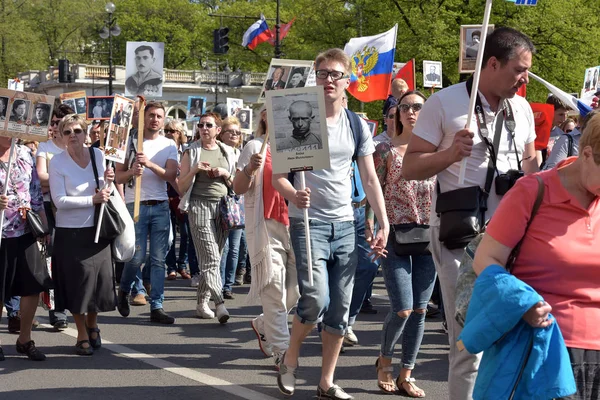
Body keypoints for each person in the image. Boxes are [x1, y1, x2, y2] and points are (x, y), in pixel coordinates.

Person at [403, 27, 539, 399]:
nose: (524, 79)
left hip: (513, 235)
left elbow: (528, 163)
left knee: (514, 331)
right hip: (462, 235)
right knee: (469, 339)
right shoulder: (445, 104)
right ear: (492, 64)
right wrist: (449, 155)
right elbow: (410, 168)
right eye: (519, 70)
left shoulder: (523, 109)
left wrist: (535, 170)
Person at [273, 48, 389, 399]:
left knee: (340, 308)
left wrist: (382, 222)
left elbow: (370, 178)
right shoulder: (297, 118)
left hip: (347, 223)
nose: (328, 80)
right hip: (309, 223)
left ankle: (326, 381)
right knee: (316, 299)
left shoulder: (356, 125)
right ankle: (289, 357)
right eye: (321, 73)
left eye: (335, 74)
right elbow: (279, 176)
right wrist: (294, 194)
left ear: (347, 81)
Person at [473, 112, 600, 400]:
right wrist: (522, 304)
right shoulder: (533, 191)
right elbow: (485, 259)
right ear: (588, 154)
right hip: (543, 347)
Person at [370, 92, 436, 397]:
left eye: (418, 107)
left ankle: (406, 373)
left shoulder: (437, 150)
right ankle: (384, 361)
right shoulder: (384, 150)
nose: (411, 112)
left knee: (421, 311)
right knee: (402, 309)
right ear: (397, 115)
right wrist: (373, 227)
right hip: (395, 234)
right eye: (404, 107)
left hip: (429, 236)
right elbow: (373, 191)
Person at [233, 107, 300, 368]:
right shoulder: (254, 146)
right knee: (273, 287)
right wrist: (250, 169)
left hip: (295, 224)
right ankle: (282, 352)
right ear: (264, 116)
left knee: (295, 292)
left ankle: (263, 323)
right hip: (265, 224)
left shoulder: (299, 146)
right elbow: (238, 188)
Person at [49, 114, 116, 356]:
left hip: (99, 229)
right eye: (67, 132)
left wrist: (110, 182)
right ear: (61, 136)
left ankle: (93, 324)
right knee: (78, 286)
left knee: (98, 283)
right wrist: (92, 199)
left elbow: (108, 192)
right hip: (70, 232)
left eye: (77, 130)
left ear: (86, 133)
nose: (73, 136)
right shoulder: (57, 162)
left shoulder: (98, 155)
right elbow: (59, 200)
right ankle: (81, 333)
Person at [115, 101, 178, 325]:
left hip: (160, 205)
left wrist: (149, 164)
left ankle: (157, 306)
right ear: (144, 118)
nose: (155, 119)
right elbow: (117, 177)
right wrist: (132, 171)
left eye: (159, 116)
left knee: (159, 259)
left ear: (163, 120)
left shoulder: (169, 144)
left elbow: (171, 175)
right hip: (136, 205)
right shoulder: (131, 142)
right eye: (151, 115)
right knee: (137, 256)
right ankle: (124, 290)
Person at [178, 113, 237, 324]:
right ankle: (219, 303)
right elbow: (181, 186)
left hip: (222, 208)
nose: (204, 128)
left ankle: (201, 303)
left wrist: (224, 173)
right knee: (211, 258)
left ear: (217, 130)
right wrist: (194, 169)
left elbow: (236, 184)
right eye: (201, 125)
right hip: (198, 206)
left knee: (213, 259)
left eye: (209, 125)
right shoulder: (191, 151)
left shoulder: (228, 151)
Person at [0, 136, 51, 361]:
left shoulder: (24, 153)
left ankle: (24, 339)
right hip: (1, 233)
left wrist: (43, 223)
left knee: (33, 285)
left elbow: (35, 191)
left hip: (25, 229)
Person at [36, 103, 73, 332]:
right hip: (51, 208)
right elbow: (40, 176)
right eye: (57, 122)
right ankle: (57, 311)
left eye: (65, 122)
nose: (61, 127)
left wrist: (56, 180)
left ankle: (74, 306)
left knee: (72, 260)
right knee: (53, 260)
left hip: (76, 211)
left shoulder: (78, 147)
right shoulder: (45, 147)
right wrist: (65, 181)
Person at [215, 116, 246, 300]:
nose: (234, 135)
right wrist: (230, 176)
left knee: (235, 247)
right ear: (222, 134)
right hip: (223, 203)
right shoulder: (218, 151)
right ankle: (218, 285)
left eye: (237, 132)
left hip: (239, 203)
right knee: (223, 247)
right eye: (230, 131)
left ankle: (228, 285)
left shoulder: (241, 153)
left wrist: (229, 176)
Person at [163, 118, 191, 281]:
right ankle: (171, 267)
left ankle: (182, 264)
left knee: (186, 233)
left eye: (172, 131)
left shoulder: (187, 150)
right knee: (170, 235)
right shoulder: (162, 149)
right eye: (166, 130)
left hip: (184, 196)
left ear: (180, 134)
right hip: (167, 195)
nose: (168, 134)